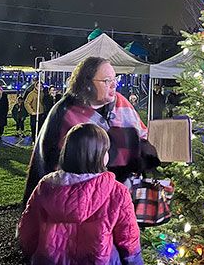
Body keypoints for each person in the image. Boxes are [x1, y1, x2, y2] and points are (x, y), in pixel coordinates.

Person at [17, 123, 143, 265]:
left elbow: (27, 231)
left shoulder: (45, 187)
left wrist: (33, 257)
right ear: (98, 155)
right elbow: (128, 236)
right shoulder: (117, 191)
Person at [23, 57, 159, 207]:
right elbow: (63, 171)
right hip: (83, 204)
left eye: (115, 79)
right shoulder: (65, 114)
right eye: (107, 80)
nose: (114, 85)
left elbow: (142, 135)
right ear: (87, 84)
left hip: (126, 200)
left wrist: (149, 153)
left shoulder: (121, 102)